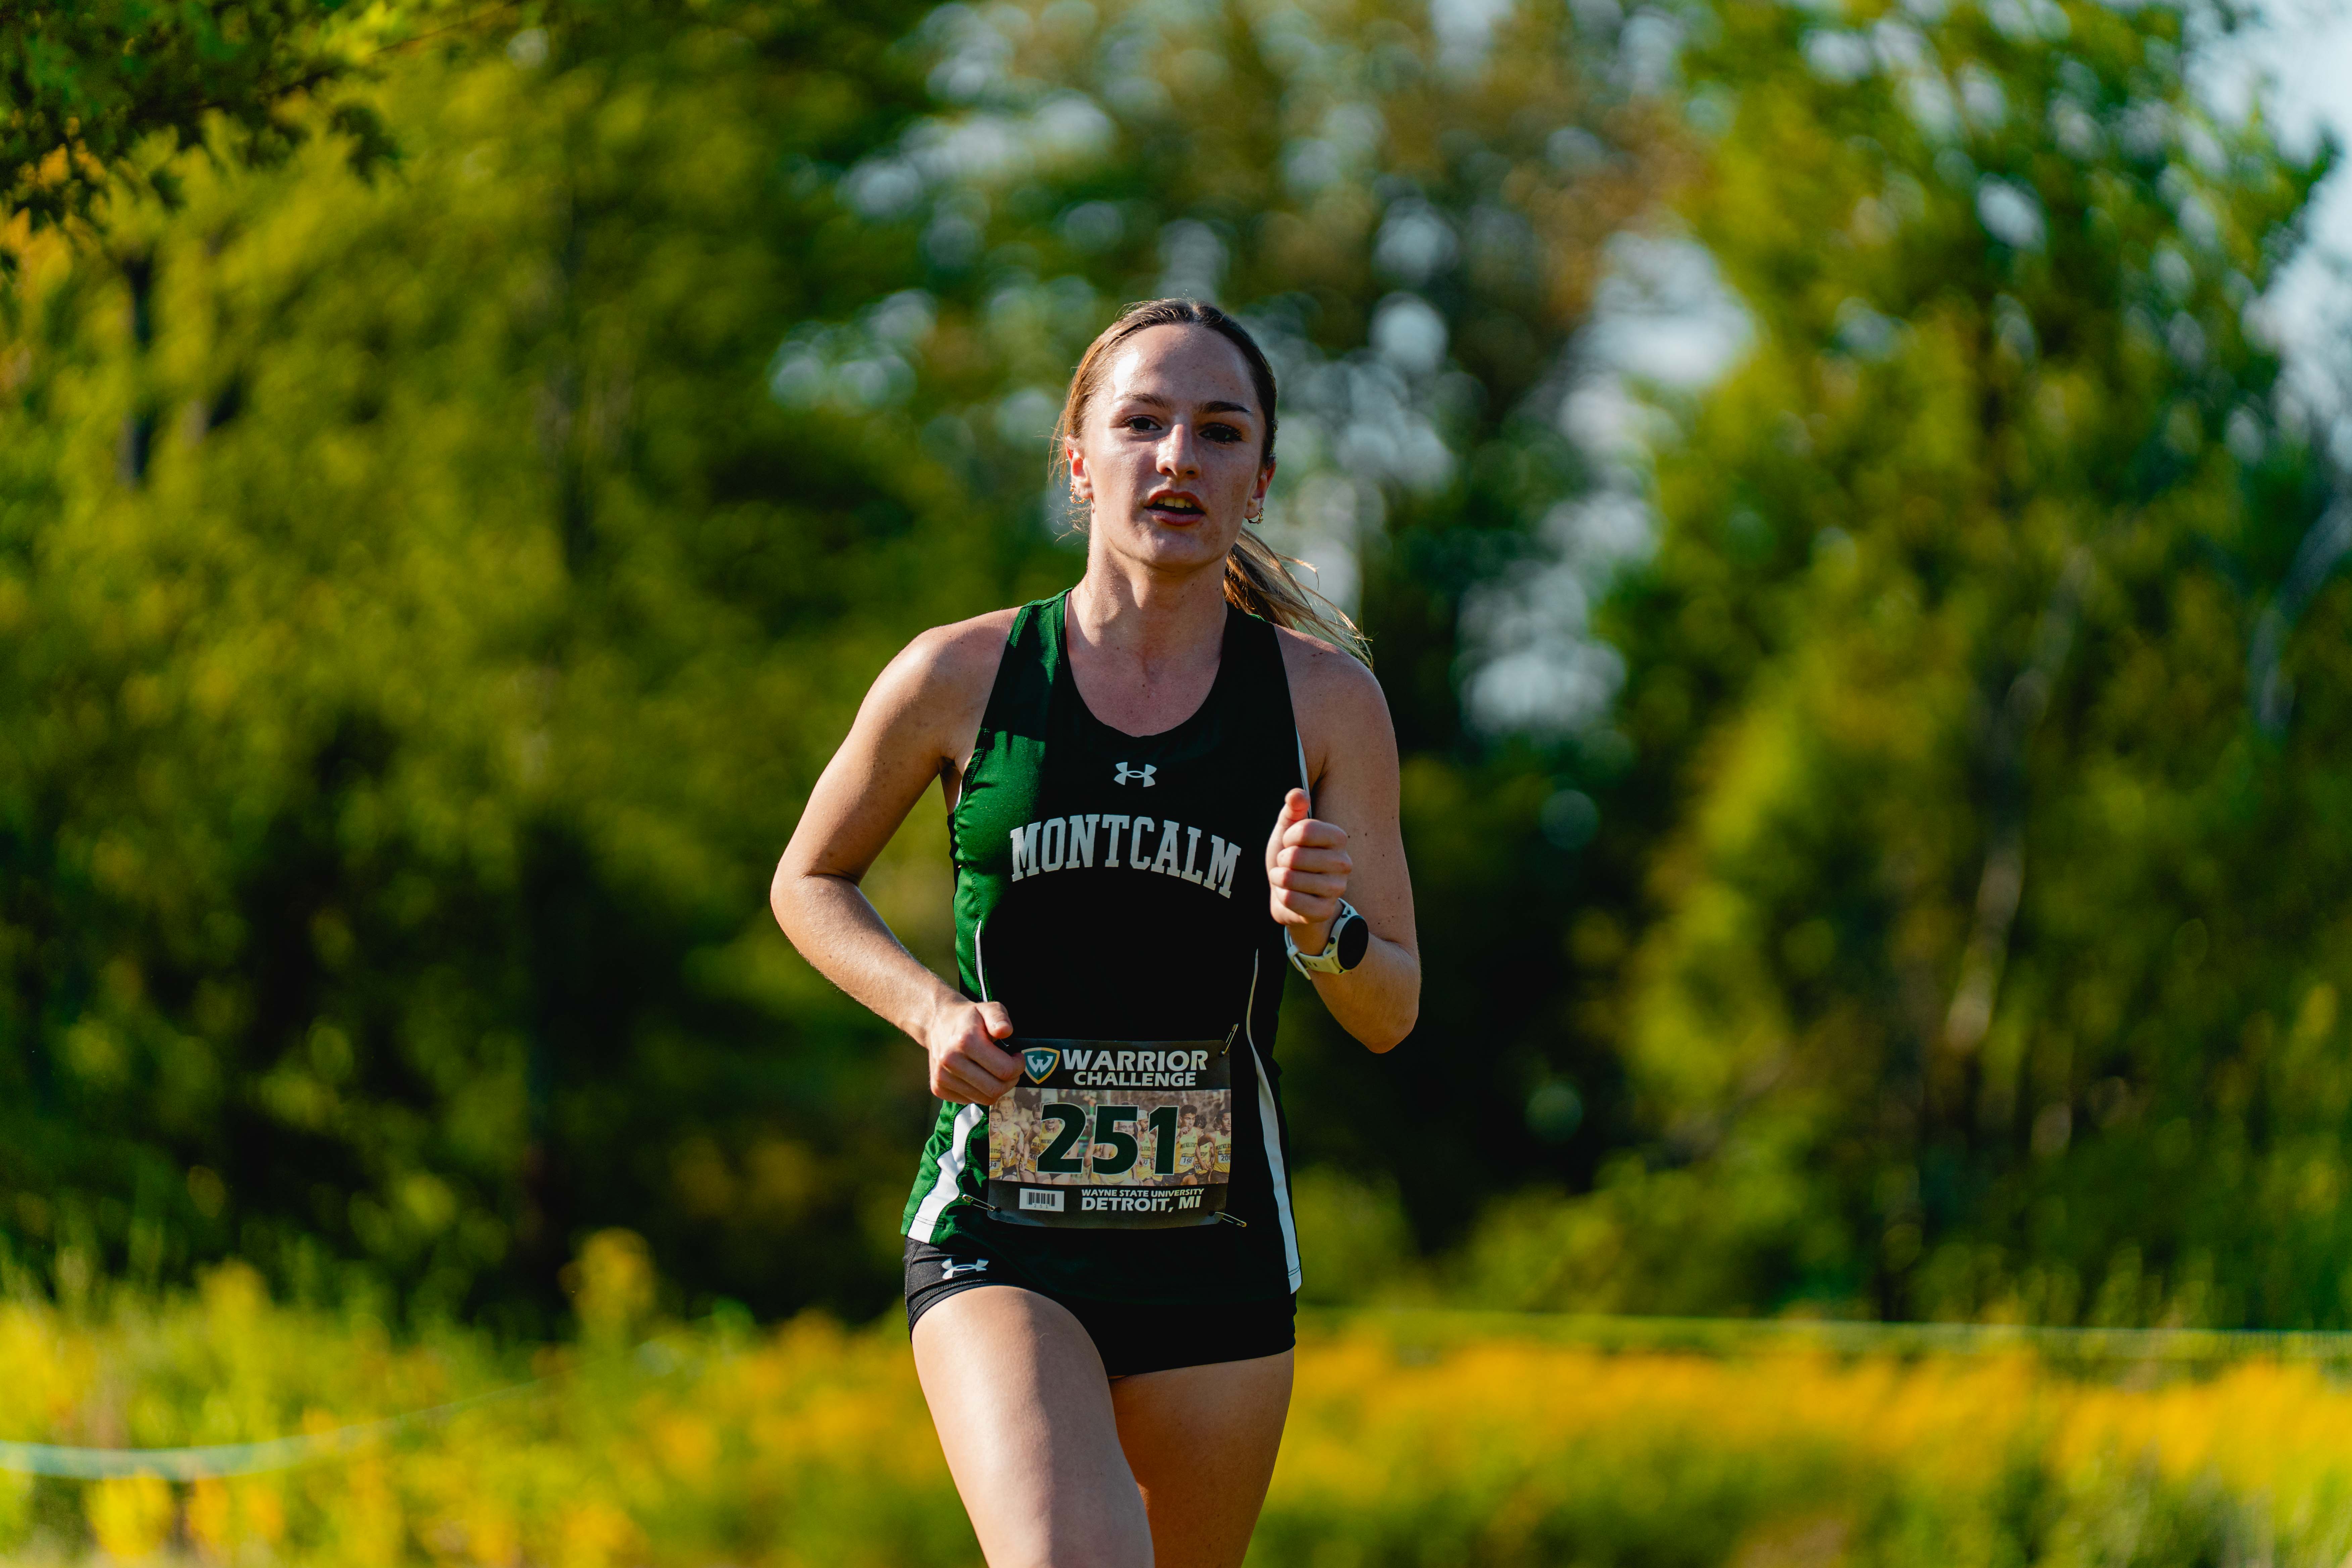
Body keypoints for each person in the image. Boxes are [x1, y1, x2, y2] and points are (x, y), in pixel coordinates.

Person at [771, 297, 1420, 1568]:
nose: (1179, 458)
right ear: (1079, 460)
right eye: (1142, 424)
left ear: (1262, 479)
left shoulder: (1326, 704)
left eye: (1220, 432)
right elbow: (810, 880)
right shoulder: (959, 675)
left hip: (1217, 1252)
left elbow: (1391, 1008)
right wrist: (930, 1011)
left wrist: (1322, 928)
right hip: (1000, 1229)